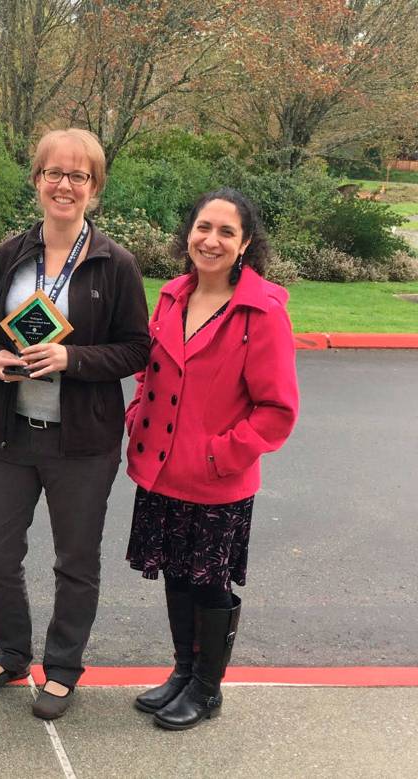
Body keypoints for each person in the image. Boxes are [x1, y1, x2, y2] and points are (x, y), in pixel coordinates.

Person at [0, 128, 149, 720]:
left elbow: (136, 350)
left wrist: (73, 358)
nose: (63, 185)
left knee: (75, 561)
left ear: (94, 188)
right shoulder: (11, 253)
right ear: (36, 179)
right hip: (9, 432)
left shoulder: (114, 263)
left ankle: (63, 667)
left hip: (82, 443)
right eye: (53, 173)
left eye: (78, 176)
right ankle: (12, 651)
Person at [124, 188, 299, 730]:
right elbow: (150, 372)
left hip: (216, 479)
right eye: (204, 227)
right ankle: (182, 672)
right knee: (177, 574)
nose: (212, 240)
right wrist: (136, 417)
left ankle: (206, 688)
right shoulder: (173, 295)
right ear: (189, 235)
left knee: (209, 581)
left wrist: (219, 455)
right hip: (161, 471)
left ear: (245, 243)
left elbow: (277, 409)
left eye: (227, 231)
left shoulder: (262, 311)